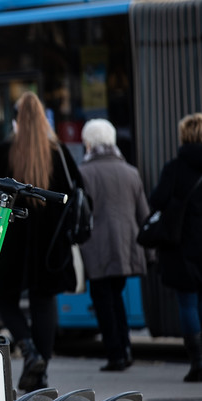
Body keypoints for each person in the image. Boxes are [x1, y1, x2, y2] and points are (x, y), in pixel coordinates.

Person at [0, 91, 81, 393]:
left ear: (16, 119)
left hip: (10, 243)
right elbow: (79, 195)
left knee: (3, 298)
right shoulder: (58, 153)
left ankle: (27, 348)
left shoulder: (2, 152)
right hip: (50, 246)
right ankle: (41, 369)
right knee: (44, 301)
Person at [149, 113, 202, 382]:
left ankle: (197, 363)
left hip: (182, 244)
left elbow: (157, 200)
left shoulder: (175, 168)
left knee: (187, 301)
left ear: (184, 136)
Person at [78, 119, 149, 372]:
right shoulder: (131, 171)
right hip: (126, 246)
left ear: (89, 142)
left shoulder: (83, 173)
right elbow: (144, 215)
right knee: (116, 296)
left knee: (103, 299)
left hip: (96, 247)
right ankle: (125, 348)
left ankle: (116, 354)